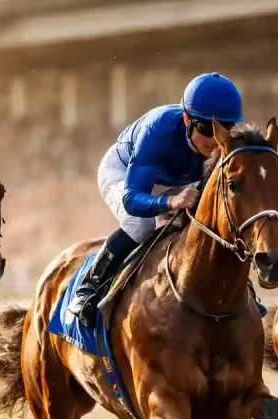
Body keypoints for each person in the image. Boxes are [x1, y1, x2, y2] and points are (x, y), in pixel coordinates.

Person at [66, 72, 244, 327]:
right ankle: (88, 289)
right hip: (126, 173)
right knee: (141, 224)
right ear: (187, 120)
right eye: (207, 128)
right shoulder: (157, 129)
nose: (215, 139)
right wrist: (170, 203)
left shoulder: (224, 145)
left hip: (177, 182)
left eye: (226, 128)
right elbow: (132, 200)